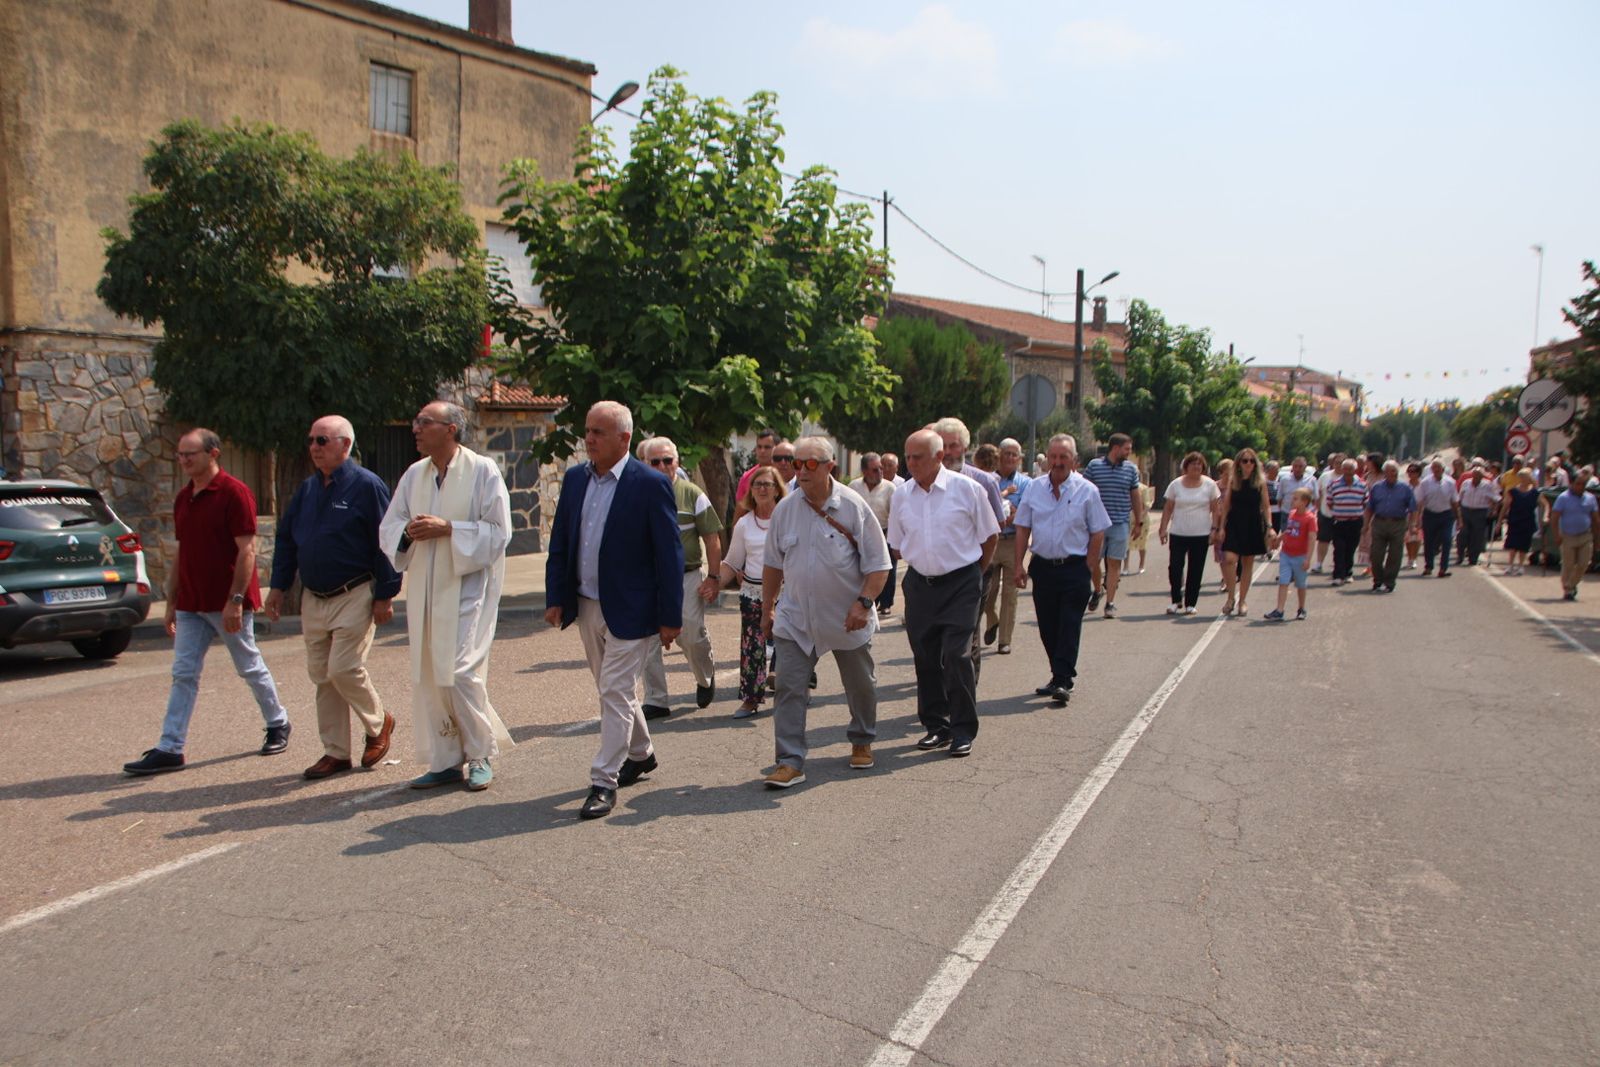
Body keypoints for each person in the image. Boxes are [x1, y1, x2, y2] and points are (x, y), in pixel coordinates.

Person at [123, 428, 293, 776]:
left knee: (248, 665)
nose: (184, 460)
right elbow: (182, 552)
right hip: (191, 603)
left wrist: (235, 600)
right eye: (181, 455)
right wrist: (172, 601)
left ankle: (278, 723)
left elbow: (247, 550)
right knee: (183, 673)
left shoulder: (235, 492)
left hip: (226, 602)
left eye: (191, 454)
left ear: (213, 454)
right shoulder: (185, 496)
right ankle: (171, 747)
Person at [545, 401, 684, 819]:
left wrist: (670, 616)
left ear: (624, 439)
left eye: (598, 432)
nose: (589, 439)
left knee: (615, 690)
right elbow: (561, 541)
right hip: (588, 603)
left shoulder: (649, 483)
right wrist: (556, 596)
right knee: (612, 690)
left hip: (634, 609)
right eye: (587, 431)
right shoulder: (574, 480)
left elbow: (669, 555)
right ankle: (641, 753)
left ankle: (604, 779)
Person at [380, 401, 513, 792]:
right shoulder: (414, 474)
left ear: (451, 429)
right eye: (416, 421)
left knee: (458, 670)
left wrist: (449, 529)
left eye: (425, 422)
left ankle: (480, 753)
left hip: (467, 585)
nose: (415, 429)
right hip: (424, 587)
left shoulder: (481, 470)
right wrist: (408, 532)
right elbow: (390, 526)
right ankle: (445, 758)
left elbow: (498, 531)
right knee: (430, 671)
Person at [265, 415, 400, 780]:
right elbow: (287, 541)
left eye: (322, 440)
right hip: (314, 597)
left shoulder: (366, 486)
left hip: (354, 592)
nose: (314, 448)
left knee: (343, 668)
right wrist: (278, 587)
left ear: (345, 444)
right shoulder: (307, 491)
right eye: (311, 440)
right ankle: (336, 752)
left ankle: (379, 723)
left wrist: (385, 594)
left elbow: (387, 542)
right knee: (323, 675)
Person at [759, 437, 892, 787]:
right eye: (795, 463)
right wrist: (767, 607)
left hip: (846, 618)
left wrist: (863, 603)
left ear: (830, 466)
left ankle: (862, 739)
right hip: (796, 619)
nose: (800, 470)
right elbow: (773, 564)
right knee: (788, 687)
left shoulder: (853, 507)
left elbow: (879, 565)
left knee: (861, 685)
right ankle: (789, 761)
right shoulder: (785, 510)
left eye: (810, 464)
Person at [888, 428, 999, 757]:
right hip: (921, 584)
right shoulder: (902, 494)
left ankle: (963, 728)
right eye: (907, 456)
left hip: (961, 582)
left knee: (956, 654)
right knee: (925, 657)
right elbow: (896, 544)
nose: (910, 463)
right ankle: (937, 725)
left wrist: (975, 575)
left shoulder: (968, 490)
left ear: (939, 457)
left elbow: (989, 536)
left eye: (917, 457)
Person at [1014, 433, 1109, 706]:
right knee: (1047, 626)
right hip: (1043, 567)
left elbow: (1098, 532)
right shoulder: (1034, 488)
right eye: (1053, 457)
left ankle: (1064, 679)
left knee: (1069, 623)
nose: (1057, 462)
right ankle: (1057, 674)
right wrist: (1019, 564)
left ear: (1074, 460)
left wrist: (1089, 566)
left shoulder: (1087, 490)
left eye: (1063, 457)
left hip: (1074, 567)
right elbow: (1023, 527)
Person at [638, 436, 722, 721]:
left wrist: (714, 577)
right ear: (645, 464)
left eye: (667, 460)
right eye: (655, 462)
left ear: (677, 463)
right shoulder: (634, 493)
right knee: (647, 640)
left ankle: (704, 677)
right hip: (648, 578)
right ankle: (656, 699)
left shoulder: (692, 493)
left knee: (689, 632)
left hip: (686, 575)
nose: (662, 466)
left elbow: (712, 538)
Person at [720, 467, 785, 718]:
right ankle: (750, 699)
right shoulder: (744, 524)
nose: (761, 489)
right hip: (752, 593)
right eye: (757, 484)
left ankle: (793, 692)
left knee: (789, 645)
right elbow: (733, 561)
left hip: (785, 593)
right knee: (752, 648)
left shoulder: (787, 517)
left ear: (777, 489)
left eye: (767, 484)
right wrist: (714, 583)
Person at [1082, 432, 1144, 619]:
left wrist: (1138, 521)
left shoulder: (1131, 469)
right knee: (1092, 562)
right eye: (1127, 449)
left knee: (1114, 562)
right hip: (1096, 524)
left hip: (1120, 522)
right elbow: (1083, 491)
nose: (1129, 452)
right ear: (1115, 448)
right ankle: (1098, 589)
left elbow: (1135, 495)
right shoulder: (1094, 466)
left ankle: (1110, 603)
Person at [1158, 452, 1220, 616]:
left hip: (1201, 533)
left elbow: (1215, 509)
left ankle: (1191, 603)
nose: (1196, 466)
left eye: (1199, 464)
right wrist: (1163, 528)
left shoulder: (1210, 485)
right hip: (1179, 532)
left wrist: (1215, 529)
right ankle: (1175, 600)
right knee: (1175, 568)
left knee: (1196, 569)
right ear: (1186, 466)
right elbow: (1168, 508)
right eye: (1193, 463)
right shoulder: (1176, 485)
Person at [984, 438, 1031, 652]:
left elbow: (1030, 509)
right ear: (999, 456)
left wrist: (1016, 516)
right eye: (1006, 453)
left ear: (1020, 459)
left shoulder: (1025, 484)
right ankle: (992, 619)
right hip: (991, 541)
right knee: (986, 591)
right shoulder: (988, 480)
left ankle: (1005, 640)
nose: (1010, 458)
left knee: (1010, 594)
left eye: (1014, 454)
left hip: (1014, 541)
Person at [1217, 447, 1272, 616]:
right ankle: (1231, 598)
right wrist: (1221, 527)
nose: (1248, 464)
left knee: (1248, 563)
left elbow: (1266, 505)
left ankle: (1242, 601)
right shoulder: (1234, 481)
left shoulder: (1260, 482)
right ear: (1239, 463)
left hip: (1253, 523)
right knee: (1229, 559)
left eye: (1251, 461)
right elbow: (1226, 506)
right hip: (1234, 523)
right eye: (1244, 460)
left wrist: (1269, 527)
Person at [848, 452, 897, 618]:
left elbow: (895, 514)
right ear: (865, 471)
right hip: (859, 534)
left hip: (884, 532)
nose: (880, 473)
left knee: (886, 568)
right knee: (863, 568)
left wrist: (893, 537)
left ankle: (886, 602)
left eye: (881, 469)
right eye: (875, 469)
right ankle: (870, 599)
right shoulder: (854, 487)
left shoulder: (890, 488)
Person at [1264, 487, 1317, 621]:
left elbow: (1311, 539)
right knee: (1283, 581)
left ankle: (1301, 608)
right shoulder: (1292, 514)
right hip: (1286, 554)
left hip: (1300, 556)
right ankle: (1279, 610)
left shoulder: (1310, 518)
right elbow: (1288, 530)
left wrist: (1308, 559)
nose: (1292, 501)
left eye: (1295, 498)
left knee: (1301, 584)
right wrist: (1279, 540)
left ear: (1305, 502)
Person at [1363, 460, 1416, 593]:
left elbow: (1413, 509)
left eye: (1394, 471)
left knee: (1395, 555)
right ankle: (1378, 580)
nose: (1392, 474)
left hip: (1398, 524)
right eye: (1389, 471)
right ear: (1384, 473)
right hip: (1379, 523)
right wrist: (1365, 525)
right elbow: (1369, 508)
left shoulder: (1405, 488)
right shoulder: (1377, 487)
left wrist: (1412, 526)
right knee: (1376, 554)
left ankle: (1389, 582)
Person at [1550, 470, 1599, 601]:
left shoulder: (1590, 498)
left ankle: (1571, 585)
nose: (1581, 487)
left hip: (1585, 535)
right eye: (1578, 484)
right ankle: (1568, 590)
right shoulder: (1563, 498)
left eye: (1583, 484)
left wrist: (1597, 538)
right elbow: (1554, 517)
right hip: (1568, 536)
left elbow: (1595, 519)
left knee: (1584, 563)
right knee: (1568, 564)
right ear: (1571, 484)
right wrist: (1556, 535)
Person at [1415, 459, 1462, 577]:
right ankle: (1429, 566)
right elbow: (1420, 501)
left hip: (1446, 515)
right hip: (1430, 514)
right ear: (1431, 470)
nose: (1436, 470)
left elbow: (1455, 501)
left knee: (1446, 540)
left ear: (1443, 469)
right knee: (1429, 541)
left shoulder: (1450, 482)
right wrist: (1418, 518)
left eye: (1438, 468)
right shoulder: (1425, 482)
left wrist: (1459, 519)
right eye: (1434, 468)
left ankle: (1443, 568)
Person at [1324, 458, 1367, 586]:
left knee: (1351, 549)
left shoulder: (1362, 484)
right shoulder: (1334, 484)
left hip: (1355, 522)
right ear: (1342, 470)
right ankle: (1338, 575)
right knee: (1339, 548)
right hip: (1339, 522)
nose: (1348, 472)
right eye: (1346, 469)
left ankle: (1348, 573)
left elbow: (1365, 503)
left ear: (1355, 470)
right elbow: (1330, 502)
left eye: (1351, 469)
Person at [1458, 464, 1501, 568]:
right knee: (1463, 534)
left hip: (1480, 512)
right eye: (1475, 475)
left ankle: (1473, 559)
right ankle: (1460, 556)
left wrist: (1494, 510)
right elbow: (1460, 497)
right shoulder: (1466, 483)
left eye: (1479, 476)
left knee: (1477, 537)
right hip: (1466, 510)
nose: (1476, 478)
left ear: (1482, 477)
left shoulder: (1487, 485)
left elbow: (1496, 499)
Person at [1501, 469, 1540, 575]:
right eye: (1522, 477)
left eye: (1526, 477)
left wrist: (1545, 516)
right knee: (1513, 544)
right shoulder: (1513, 491)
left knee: (1524, 546)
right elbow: (1506, 506)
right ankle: (1510, 565)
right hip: (1515, 520)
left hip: (1527, 521)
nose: (1524, 479)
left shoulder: (1535, 492)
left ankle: (1520, 566)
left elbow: (1544, 503)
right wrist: (1500, 520)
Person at [1313, 452, 1343, 574]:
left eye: (1341, 463)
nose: (1339, 466)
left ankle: (1339, 565)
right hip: (1325, 513)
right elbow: (1318, 493)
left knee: (1339, 542)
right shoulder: (1325, 476)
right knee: (1323, 540)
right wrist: (1318, 510)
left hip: (1342, 516)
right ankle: (1319, 563)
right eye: (1336, 463)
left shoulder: (1349, 477)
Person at [734, 429, 779, 503]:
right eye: (759, 447)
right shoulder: (747, 477)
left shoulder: (784, 474)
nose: (762, 451)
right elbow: (740, 509)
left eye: (767, 447)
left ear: (777, 448)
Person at [1130, 470, 1154, 575]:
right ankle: (1125, 566)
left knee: (1142, 543)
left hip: (1142, 519)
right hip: (1127, 518)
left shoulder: (1143, 488)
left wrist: (1139, 518)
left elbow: (1147, 504)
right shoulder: (1124, 487)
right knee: (1126, 544)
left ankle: (1141, 564)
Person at [1403, 462, 1425, 569]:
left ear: (1418, 473)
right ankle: (1409, 558)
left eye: (1414, 471)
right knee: (1408, 537)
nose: (1411, 473)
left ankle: (1414, 558)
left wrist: (1420, 515)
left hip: (1420, 512)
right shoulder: (1405, 486)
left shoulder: (1422, 486)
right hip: (1407, 513)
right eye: (1409, 471)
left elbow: (1423, 500)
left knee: (1417, 537)